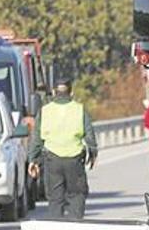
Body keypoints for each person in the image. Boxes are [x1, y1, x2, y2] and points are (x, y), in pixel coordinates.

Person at [27, 79, 97, 219]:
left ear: (54, 92)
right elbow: (90, 136)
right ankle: (75, 227)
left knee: (55, 199)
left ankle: (57, 228)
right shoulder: (79, 109)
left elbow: (36, 138)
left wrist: (33, 160)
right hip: (74, 160)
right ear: (71, 92)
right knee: (77, 196)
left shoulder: (45, 111)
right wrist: (92, 153)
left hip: (52, 161)